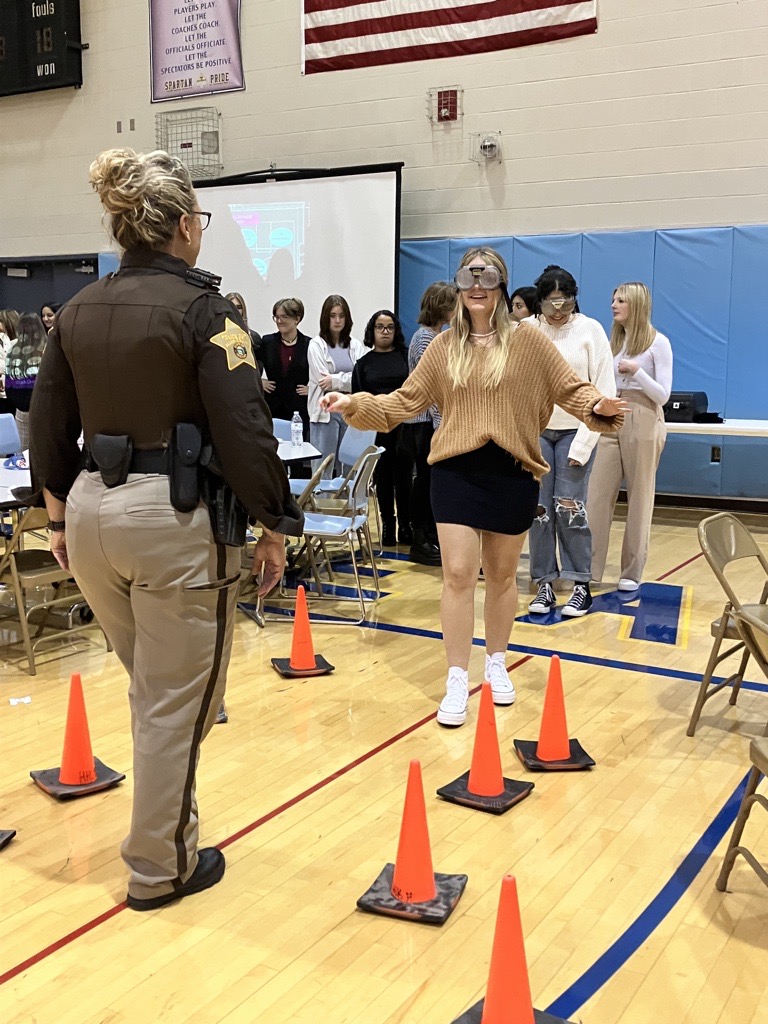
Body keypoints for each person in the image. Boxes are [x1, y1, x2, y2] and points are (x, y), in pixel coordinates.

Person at [29, 148, 303, 912]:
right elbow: (247, 430)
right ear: (184, 225)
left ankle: (171, 827)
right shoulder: (208, 312)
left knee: (154, 691)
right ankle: (159, 869)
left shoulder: (79, 309)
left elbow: (46, 425)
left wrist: (54, 519)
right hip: (172, 518)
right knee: (174, 702)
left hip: (88, 514)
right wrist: (274, 526)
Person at [322, 247, 625, 727]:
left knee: (502, 577)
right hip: (456, 470)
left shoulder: (530, 342)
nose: (477, 286)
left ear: (501, 286)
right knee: (459, 575)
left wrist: (598, 406)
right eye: (468, 278)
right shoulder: (443, 348)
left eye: (487, 277)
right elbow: (404, 402)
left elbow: (571, 387)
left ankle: (497, 662)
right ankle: (457, 677)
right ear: (459, 288)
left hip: (512, 469)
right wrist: (354, 403)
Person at [524, 265, 615, 618]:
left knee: (569, 507)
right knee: (539, 511)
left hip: (578, 430)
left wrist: (584, 445)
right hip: (537, 432)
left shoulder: (590, 330)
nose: (559, 310)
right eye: (551, 303)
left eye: (567, 302)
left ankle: (580, 585)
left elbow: (605, 391)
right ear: (539, 302)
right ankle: (544, 584)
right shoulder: (528, 331)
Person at [587, 281, 673, 591]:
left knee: (639, 496)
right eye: (612, 299)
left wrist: (637, 371)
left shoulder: (658, 343)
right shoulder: (612, 342)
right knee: (596, 496)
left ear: (636, 305)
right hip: (611, 415)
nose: (614, 305)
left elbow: (663, 395)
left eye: (620, 300)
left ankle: (631, 572)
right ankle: (590, 569)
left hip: (644, 416)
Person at [397, 281, 456, 566]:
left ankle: (430, 536)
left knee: (430, 481)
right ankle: (420, 540)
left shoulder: (436, 336)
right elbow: (429, 386)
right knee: (424, 482)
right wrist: (440, 421)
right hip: (422, 422)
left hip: (428, 421)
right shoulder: (425, 339)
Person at [352, 310, 412, 547]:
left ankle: (406, 525)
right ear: (372, 331)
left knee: (405, 478)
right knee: (383, 479)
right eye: (380, 327)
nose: (385, 331)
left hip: (406, 427)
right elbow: (358, 398)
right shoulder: (363, 364)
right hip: (377, 429)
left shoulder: (406, 357)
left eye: (389, 327)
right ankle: (388, 524)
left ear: (396, 331)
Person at [308, 294, 365, 476]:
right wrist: (342, 380)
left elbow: (359, 378)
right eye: (333, 315)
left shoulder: (355, 345)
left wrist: (335, 380)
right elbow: (322, 381)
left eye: (342, 315)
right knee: (323, 467)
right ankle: (319, 503)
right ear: (326, 317)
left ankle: (347, 504)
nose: (338, 320)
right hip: (325, 413)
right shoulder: (316, 345)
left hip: (349, 409)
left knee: (350, 467)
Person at [260, 298, 311, 437]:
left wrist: (312, 388)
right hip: (273, 408)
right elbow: (250, 366)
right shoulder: (267, 342)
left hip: (298, 411)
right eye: (276, 317)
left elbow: (321, 373)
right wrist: (259, 381)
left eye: (284, 316)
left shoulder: (309, 345)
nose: (279, 321)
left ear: (297, 319)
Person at [6, 312, 47, 449]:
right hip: (42, 405)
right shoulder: (47, 347)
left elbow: (9, 379)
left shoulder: (12, 348)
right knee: (43, 450)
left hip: (21, 406)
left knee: (23, 451)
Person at [224, 291, 263, 372]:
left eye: (239, 307)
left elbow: (258, 366)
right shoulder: (214, 335)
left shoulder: (254, 337)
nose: (235, 310)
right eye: (231, 306)